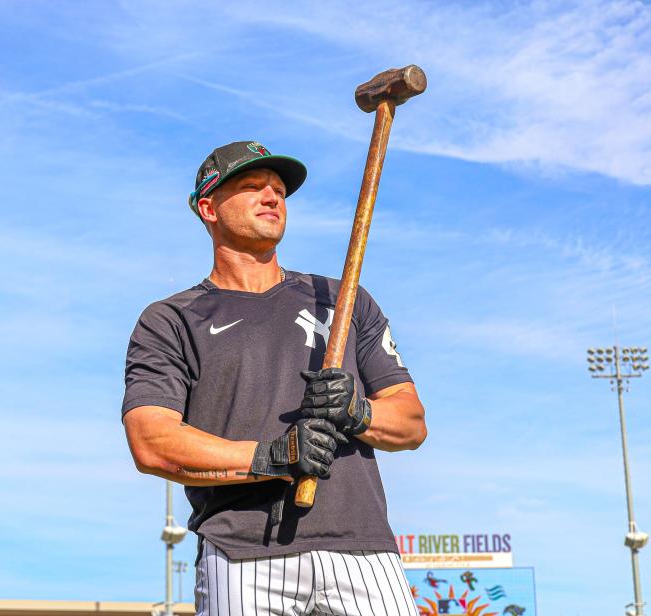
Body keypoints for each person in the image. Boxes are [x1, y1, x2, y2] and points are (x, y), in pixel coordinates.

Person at [122, 141, 427, 616]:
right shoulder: (171, 319)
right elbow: (152, 441)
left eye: (280, 191)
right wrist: (273, 456)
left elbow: (410, 423)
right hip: (242, 552)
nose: (272, 198)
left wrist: (357, 411)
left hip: (362, 549)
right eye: (252, 187)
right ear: (209, 208)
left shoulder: (341, 298)